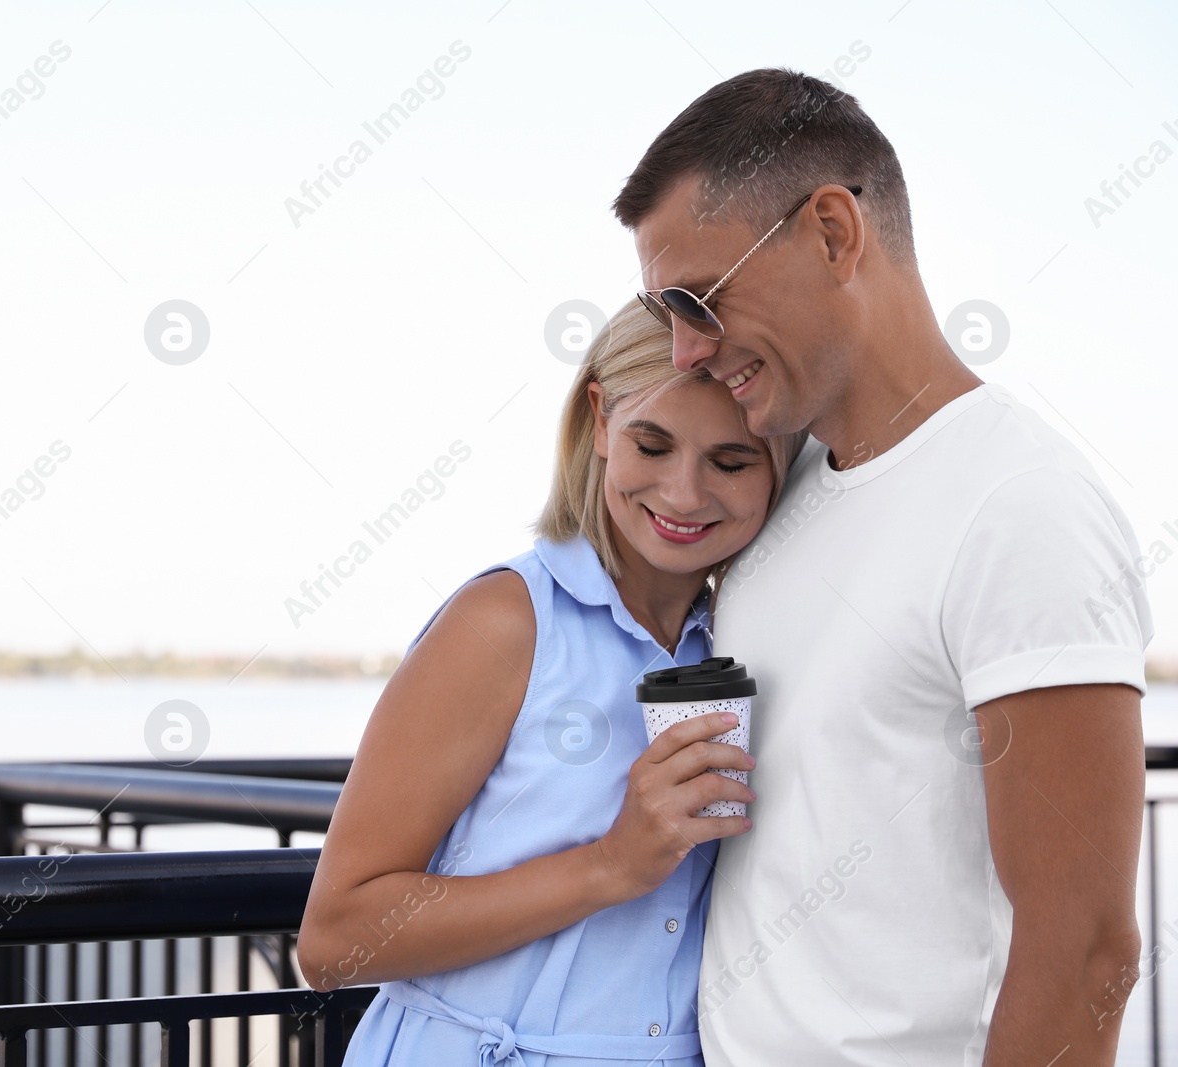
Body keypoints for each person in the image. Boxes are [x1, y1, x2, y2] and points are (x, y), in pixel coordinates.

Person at [611, 68, 1154, 1065]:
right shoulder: (784, 489)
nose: (684, 350)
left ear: (830, 232)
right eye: (662, 316)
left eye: (696, 299)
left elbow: (1085, 952)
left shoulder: (1017, 506)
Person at [297, 298, 806, 1065]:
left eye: (730, 461)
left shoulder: (746, 642)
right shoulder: (503, 622)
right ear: (600, 420)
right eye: (652, 444)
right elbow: (333, 942)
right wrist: (610, 863)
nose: (683, 492)